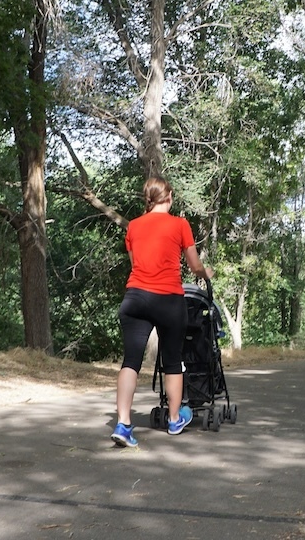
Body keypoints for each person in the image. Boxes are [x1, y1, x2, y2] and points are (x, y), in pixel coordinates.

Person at [111, 176, 214, 447]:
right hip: (168, 299)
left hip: (135, 299)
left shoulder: (133, 226)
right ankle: (174, 419)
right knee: (172, 361)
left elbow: (136, 265)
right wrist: (206, 272)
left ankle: (123, 424)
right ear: (168, 196)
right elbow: (194, 265)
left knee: (130, 361)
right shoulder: (180, 224)